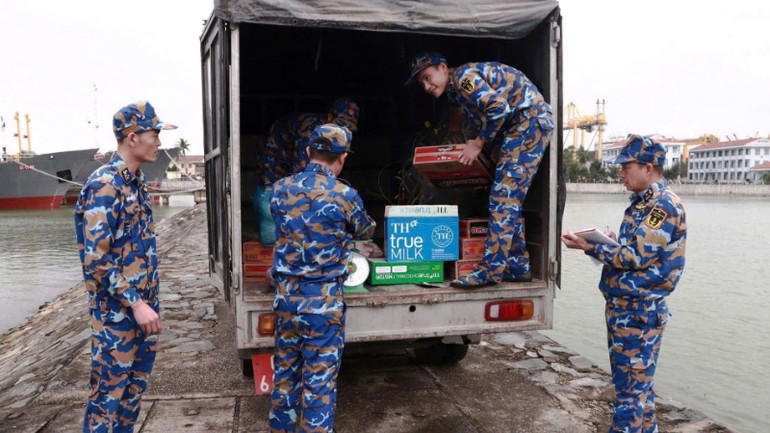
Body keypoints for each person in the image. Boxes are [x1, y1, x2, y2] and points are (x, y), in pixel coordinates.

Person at [561, 134, 687, 433]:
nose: (620, 172)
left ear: (648, 167)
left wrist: (589, 246)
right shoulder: (642, 205)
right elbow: (638, 250)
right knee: (638, 393)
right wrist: (610, 242)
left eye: (626, 166)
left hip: (638, 313)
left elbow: (635, 256)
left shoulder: (662, 207)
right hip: (627, 309)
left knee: (628, 395)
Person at [405, 52, 554, 288]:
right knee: (505, 198)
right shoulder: (455, 91)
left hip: (528, 122)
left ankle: (490, 271)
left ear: (443, 67)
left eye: (427, 76)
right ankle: (517, 267)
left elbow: (498, 108)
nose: (426, 86)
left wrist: (478, 143)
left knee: (503, 197)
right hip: (516, 128)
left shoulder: (465, 78)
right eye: (421, 82)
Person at [75, 101, 176, 432]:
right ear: (132, 137)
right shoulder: (104, 185)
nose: (159, 143)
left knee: (132, 396)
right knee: (108, 401)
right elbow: (96, 259)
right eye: (154, 134)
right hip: (117, 317)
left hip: (143, 312)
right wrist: (136, 302)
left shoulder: (136, 181)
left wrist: (147, 305)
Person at [267, 123, 376, 432]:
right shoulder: (345, 195)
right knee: (319, 384)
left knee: (285, 378)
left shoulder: (279, 189)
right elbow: (365, 230)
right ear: (342, 158)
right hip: (323, 306)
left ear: (308, 152)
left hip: (286, 300)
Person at [255, 98, 361, 245]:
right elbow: (303, 173)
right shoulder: (312, 131)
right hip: (276, 162)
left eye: (348, 128)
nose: (343, 131)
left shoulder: (331, 136)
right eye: (341, 125)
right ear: (330, 117)